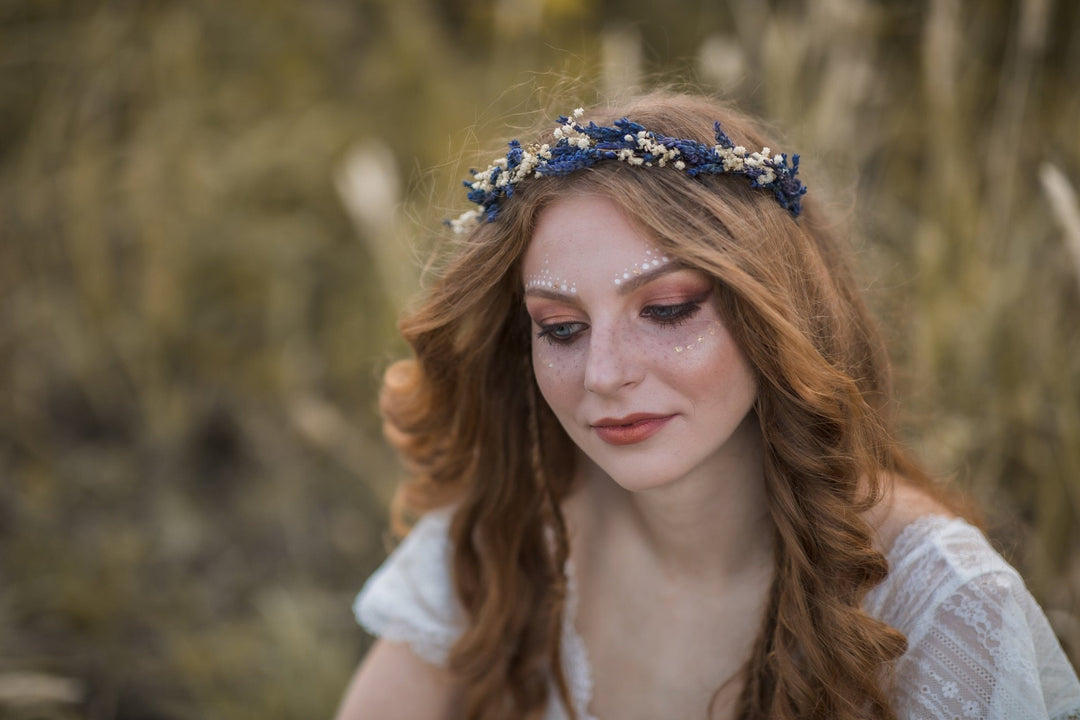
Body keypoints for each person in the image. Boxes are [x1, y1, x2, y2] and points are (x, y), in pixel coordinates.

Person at [333, 92, 1080, 720]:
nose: (604, 374)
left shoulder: (947, 608)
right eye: (560, 328)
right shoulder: (508, 533)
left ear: (773, 313)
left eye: (666, 310)